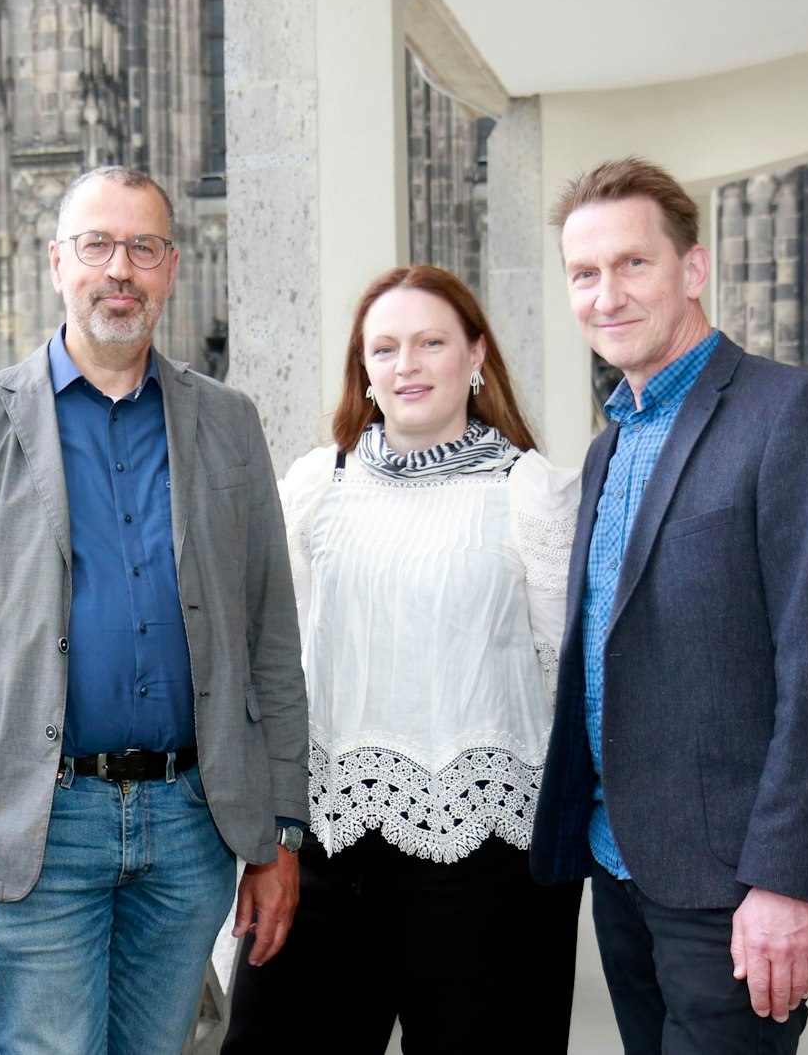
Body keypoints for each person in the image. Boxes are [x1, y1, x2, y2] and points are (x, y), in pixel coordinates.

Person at [0, 165, 311, 1055]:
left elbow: (270, 642)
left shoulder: (229, 422)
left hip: (192, 822)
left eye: (143, 248)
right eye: (97, 245)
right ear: (57, 263)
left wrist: (280, 831)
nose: (121, 268)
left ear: (171, 267)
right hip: (42, 826)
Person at [530, 157, 808, 1054]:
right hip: (622, 863)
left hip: (740, 881)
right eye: (584, 274)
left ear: (692, 269)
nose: (607, 294)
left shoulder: (795, 413)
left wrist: (787, 883)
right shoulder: (608, 449)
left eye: (633, 264)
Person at [221, 265, 584, 1053]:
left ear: (475, 355)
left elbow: (567, 671)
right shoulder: (320, 484)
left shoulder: (531, 490)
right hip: (325, 843)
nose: (407, 364)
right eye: (384, 347)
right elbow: (280, 659)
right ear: (364, 368)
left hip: (486, 854)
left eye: (430, 342)